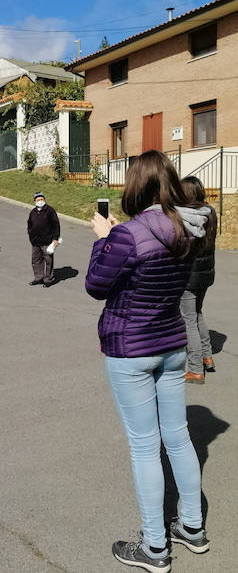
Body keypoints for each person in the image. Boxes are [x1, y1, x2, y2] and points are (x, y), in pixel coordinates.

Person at [84, 150, 210, 571]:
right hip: (172, 344)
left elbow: (96, 286)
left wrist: (103, 238)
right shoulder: (188, 228)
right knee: (179, 437)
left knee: (144, 447)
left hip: (131, 349)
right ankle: (191, 527)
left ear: (136, 186)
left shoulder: (127, 234)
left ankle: (154, 547)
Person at [179, 176, 216, 384]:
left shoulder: (189, 216)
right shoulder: (210, 212)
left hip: (190, 275)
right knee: (198, 313)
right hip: (207, 273)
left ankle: (195, 369)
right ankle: (207, 357)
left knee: (188, 319)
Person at [27, 191, 60, 286]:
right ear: (34, 201)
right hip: (35, 241)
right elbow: (29, 225)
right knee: (36, 260)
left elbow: (56, 225)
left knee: (48, 260)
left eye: (41, 199)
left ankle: (47, 279)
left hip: (47, 241)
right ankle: (38, 278)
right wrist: (31, 236)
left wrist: (55, 239)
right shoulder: (33, 212)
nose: (40, 201)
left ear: (44, 200)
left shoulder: (50, 210)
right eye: (38, 200)